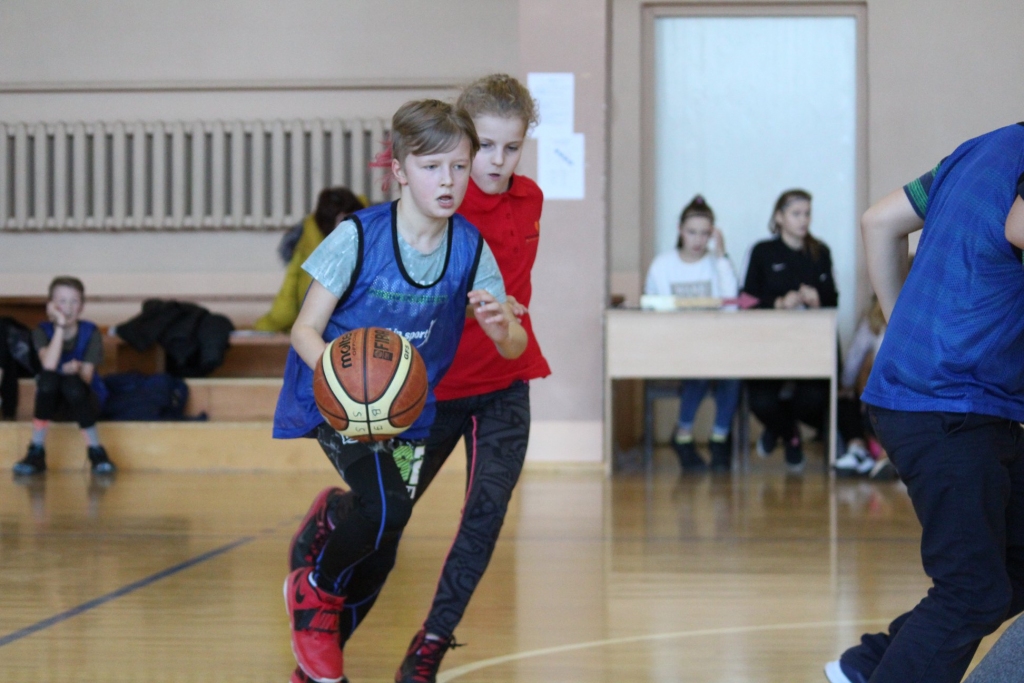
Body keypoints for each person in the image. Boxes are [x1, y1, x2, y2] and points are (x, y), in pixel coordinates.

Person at [287, 74, 551, 683]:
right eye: (482, 146)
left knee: (485, 516)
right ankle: (320, 648)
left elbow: (511, 317)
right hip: (427, 395)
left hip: (506, 383)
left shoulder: (528, 200)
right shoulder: (436, 197)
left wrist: (505, 321)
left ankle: (430, 645)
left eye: (510, 148)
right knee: (384, 525)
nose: (493, 162)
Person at [824, 123, 1024, 683]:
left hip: (953, 400)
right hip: (950, 405)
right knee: (973, 591)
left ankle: (866, 667)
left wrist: (900, 319)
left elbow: (879, 221)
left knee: (1010, 569)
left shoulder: (983, 150)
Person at [742, 189, 837, 473]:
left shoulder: (820, 252)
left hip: (809, 346)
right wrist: (779, 303)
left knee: (815, 397)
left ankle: (778, 432)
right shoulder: (763, 252)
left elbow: (833, 300)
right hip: (768, 345)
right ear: (779, 217)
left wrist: (817, 299)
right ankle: (791, 437)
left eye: (807, 213)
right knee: (760, 399)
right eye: (796, 214)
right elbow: (747, 299)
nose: (803, 220)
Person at [644, 195, 740, 472]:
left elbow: (731, 303)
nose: (698, 239)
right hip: (675, 344)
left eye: (705, 233)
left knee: (733, 371)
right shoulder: (662, 265)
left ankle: (719, 437)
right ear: (679, 229)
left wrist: (721, 255)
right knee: (698, 368)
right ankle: (683, 434)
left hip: (714, 343)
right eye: (692, 232)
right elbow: (654, 308)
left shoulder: (715, 263)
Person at [11, 276, 115, 475]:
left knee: (71, 383)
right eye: (62, 300)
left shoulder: (90, 331)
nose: (68, 307)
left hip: (83, 400)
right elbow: (49, 365)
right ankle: (36, 451)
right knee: (48, 379)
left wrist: (75, 371)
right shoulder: (41, 331)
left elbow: (85, 379)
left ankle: (96, 450)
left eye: (74, 301)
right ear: (51, 305)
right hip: (52, 403)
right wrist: (59, 326)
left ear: (82, 306)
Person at [253, 187, 365, 333]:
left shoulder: (308, 243)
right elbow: (287, 304)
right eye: (344, 223)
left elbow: (287, 305)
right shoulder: (311, 247)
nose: (351, 229)